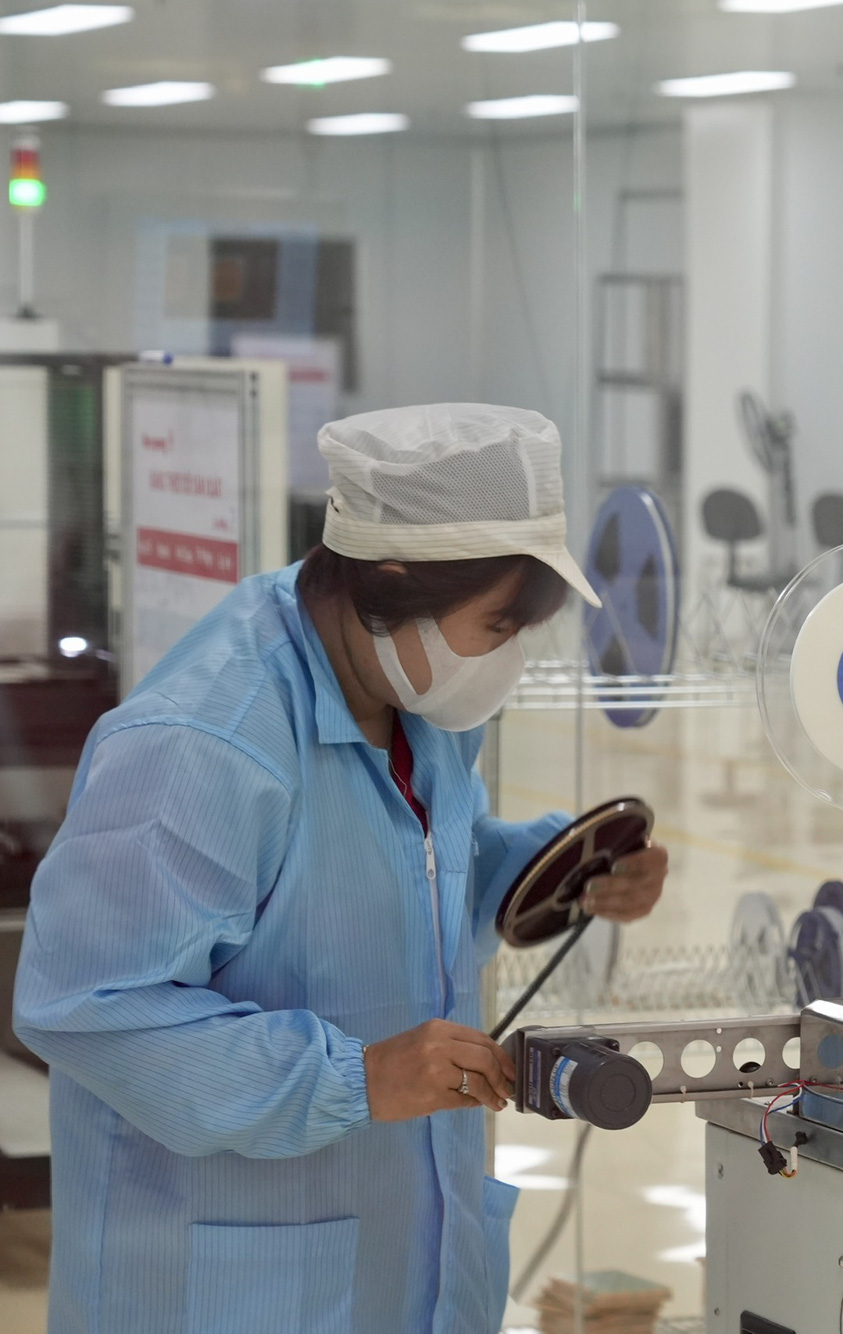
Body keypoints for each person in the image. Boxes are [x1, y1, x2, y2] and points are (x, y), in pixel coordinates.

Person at [13, 403, 668, 1333]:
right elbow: (90, 1006)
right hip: (228, 1285)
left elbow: (410, 871)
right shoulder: (206, 747)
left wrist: (556, 874)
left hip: (398, 1256)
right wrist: (352, 1081)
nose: (511, 661)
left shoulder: (415, 691)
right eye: (498, 626)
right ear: (394, 582)